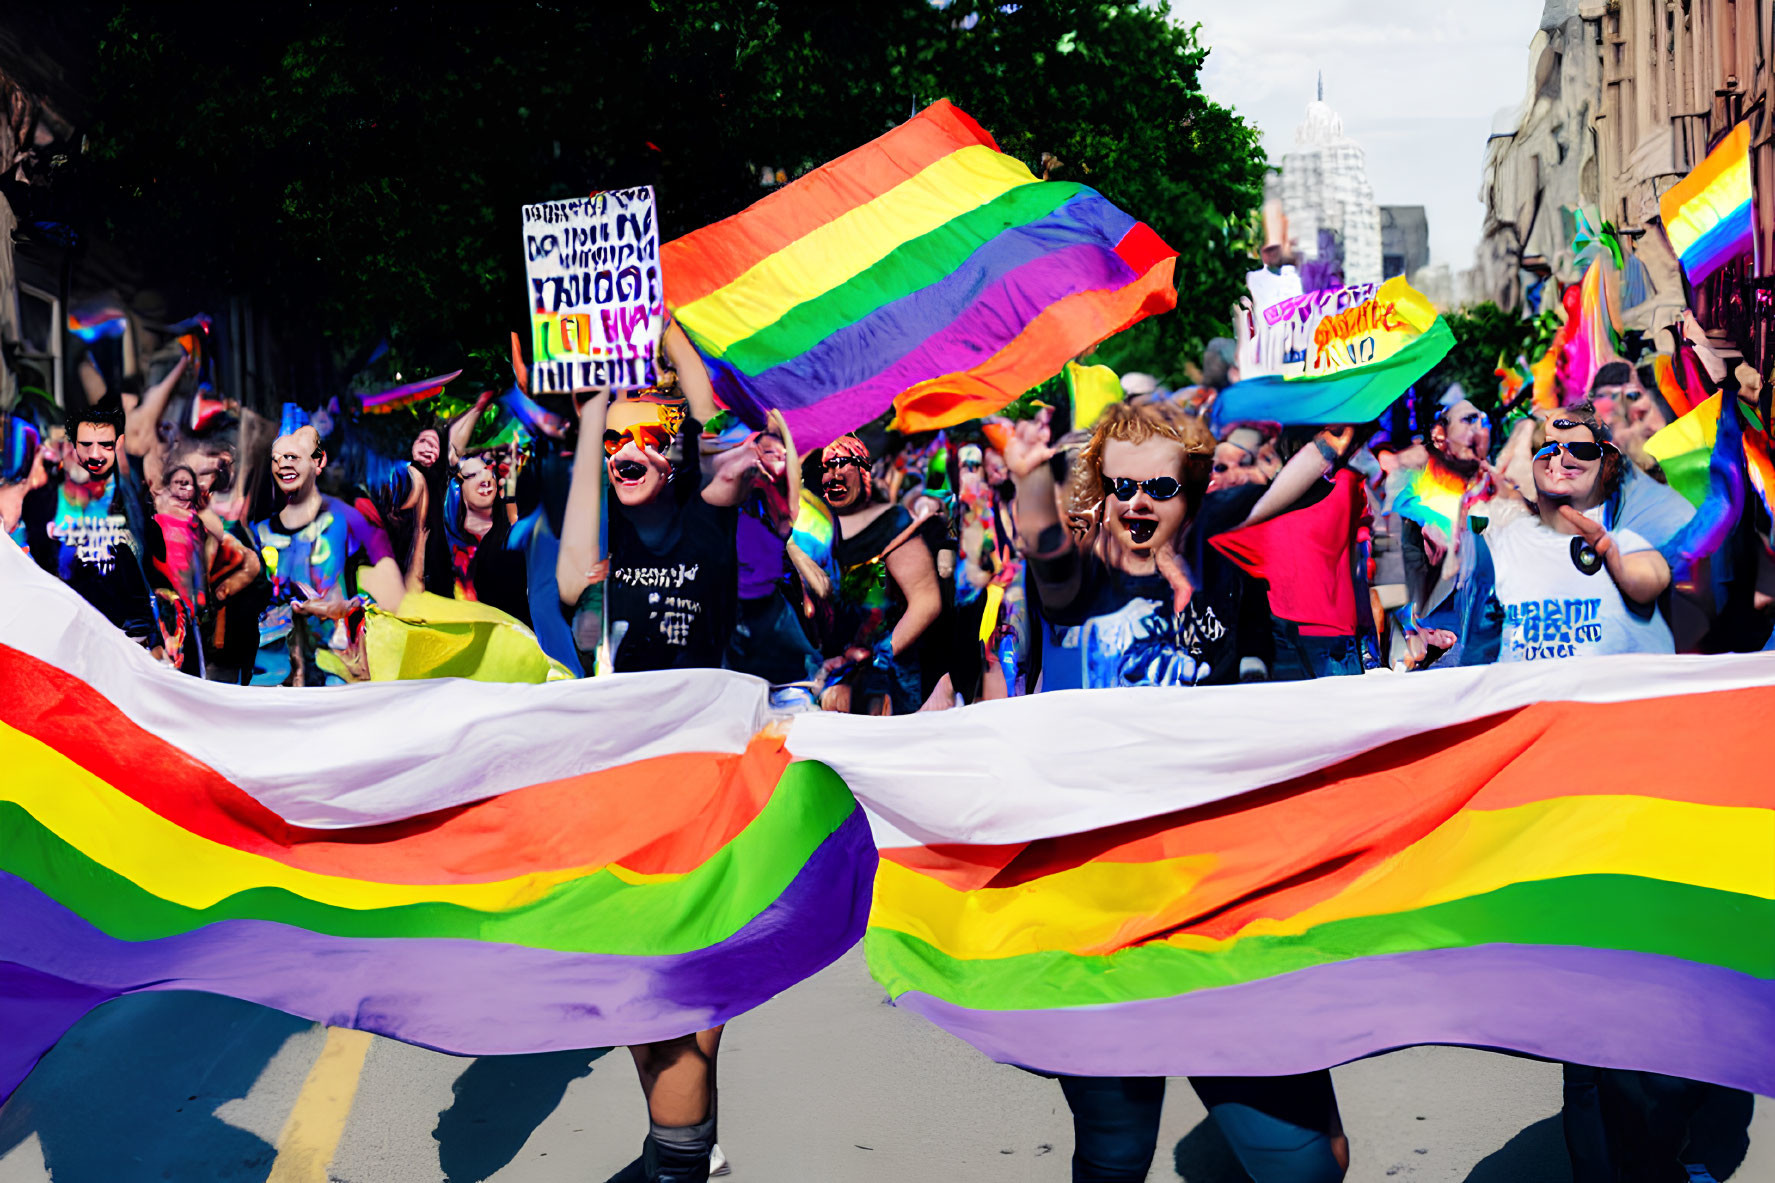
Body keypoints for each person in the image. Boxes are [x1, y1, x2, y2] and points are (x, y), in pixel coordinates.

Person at [1003, 400, 1351, 1181]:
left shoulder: (1226, 583)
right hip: (1098, 917)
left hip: (1218, 913)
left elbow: (1278, 492)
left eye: (1159, 488)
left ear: (1189, 493)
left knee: (1307, 1164)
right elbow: (1045, 546)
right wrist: (1029, 475)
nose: (1137, 503)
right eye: (1119, 486)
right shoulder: (1075, 584)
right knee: (1114, 1154)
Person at [556, 384, 775, 1183]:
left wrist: (677, 326)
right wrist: (589, 417)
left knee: (686, 1002)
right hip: (619, 806)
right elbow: (574, 576)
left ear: (678, 451)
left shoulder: (712, 523)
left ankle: (680, 1157)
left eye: (648, 437)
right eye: (616, 442)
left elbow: (732, 442)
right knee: (639, 1007)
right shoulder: (597, 558)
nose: (627, 452)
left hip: (706, 797)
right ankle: (683, 1143)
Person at [1458, 404, 1672, 664]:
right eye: (1549, 449)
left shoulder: (1622, 525)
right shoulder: (1502, 530)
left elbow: (1652, 579)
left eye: (1581, 450)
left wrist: (1611, 556)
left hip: (1615, 696)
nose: (1562, 458)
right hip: (1530, 697)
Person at [251, 425, 404, 685]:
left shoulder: (349, 519)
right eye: (277, 459)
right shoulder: (262, 532)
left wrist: (347, 606)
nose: (282, 466)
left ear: (318, 461)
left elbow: (392, 596)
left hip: (338, 667)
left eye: (293, 457)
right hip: (277, 673)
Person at [816, 433, 943, 715]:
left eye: (842, 464)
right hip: (828, 676)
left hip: (886, 679)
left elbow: (926, 601)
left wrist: (879, 656)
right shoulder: (815, 525)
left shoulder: (891, 523)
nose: (833, 473)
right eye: (827, 466)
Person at [21, 403, 157, 646]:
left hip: (125, 640)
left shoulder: (131, 495)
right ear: (71, 446)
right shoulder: (43, 499)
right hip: (66, 636)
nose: (95, 454)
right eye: (86, 445)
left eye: (106, 445)